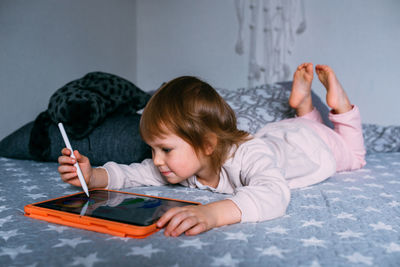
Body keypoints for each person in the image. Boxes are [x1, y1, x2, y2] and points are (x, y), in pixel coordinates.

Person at [58, 63, 366, 237]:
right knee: (302, 124)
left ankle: (337, 105)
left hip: (312, 145)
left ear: (208, 144)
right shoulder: (184, 163)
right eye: (153, 149)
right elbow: (135, 173)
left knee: (354, 157)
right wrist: (94, 176)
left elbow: (274, 192)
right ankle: (303, 109)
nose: (156, 160)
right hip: (282, 132)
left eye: (165, 149)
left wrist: (213, 214)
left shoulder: (247, 155)